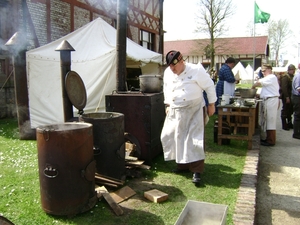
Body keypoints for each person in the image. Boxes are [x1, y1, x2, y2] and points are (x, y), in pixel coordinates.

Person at [160, 50, 217, 184]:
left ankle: (196, 170)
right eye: (170, 66)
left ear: (181, 61)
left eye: (174, 66)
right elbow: (166, 88)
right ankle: (182, 165)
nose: (172, 69)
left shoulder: (196, 70)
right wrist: (168, 104)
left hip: (195, 109)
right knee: (176, 136)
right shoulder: (168, 72)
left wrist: (212, 104)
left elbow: (209, 86)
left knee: (194, 139)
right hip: (177, 110)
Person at [252, 64, 280, 146]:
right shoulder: (269, 78)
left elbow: (259, 82)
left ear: (269, 69)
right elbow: (267, 90)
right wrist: (260, 95)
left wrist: (252, 87)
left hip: (271, 100)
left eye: (264, 71)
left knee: (271, 120)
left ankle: (271, 140)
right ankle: (268, 138)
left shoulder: (271, 77)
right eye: (262, 71)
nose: (263, 73)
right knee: (268, 120)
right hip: (269, 100)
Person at [279, 64, 296, 130]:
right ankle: (284, 124)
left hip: (291, 95)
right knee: (285, 110)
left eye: (293, 69)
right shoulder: (286, 77)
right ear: (289, 70)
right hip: (286, 96)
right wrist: (287, 97)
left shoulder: (292, 76)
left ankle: (289, 123)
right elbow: (284, 88)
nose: (293, 71)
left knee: (290, 110)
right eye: (292, 70)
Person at [291, 68, 300, 139]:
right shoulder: (299, 76)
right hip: (297, 97)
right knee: (298, 115)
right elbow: (298, 88)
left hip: (296, 97)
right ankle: (296, 133)